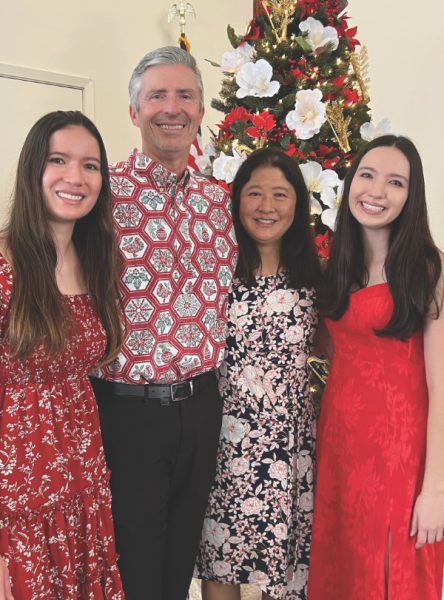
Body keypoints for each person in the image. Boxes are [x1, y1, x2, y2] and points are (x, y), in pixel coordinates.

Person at [90, 46, 237, 600]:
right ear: (134, 111)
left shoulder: (220, 202)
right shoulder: (101, 194)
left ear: (201, 111)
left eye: (185, 96)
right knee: (132, 567)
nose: (171, 108)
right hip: (127, 412)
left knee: (180, 565)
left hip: (202, 408)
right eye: (157, 95)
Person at [307, 135, 444, 599]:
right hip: (339, 448)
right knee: (341, 575)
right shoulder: (336, 266)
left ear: (411, 195)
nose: (377, 191)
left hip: (399, 456)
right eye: (366, 175)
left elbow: (442, 388)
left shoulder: (428, 269)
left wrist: (435, 491)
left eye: (395, 182)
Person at [0, 110, 124, 599]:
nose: (76, 177)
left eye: (90, 165)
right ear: (34, 170)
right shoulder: (4, 265)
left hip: (82, 486)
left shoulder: (96, 262)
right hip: (18, 501)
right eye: (59, 160)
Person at [195, 147, 321, 600]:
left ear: (297, 204)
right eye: (255, 193)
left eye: (280, 195)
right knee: (221, 557)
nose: (267, 207)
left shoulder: (314, 277)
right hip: (224, 440)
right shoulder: (216, 268)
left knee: (284, 568)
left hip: (290, 444)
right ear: (237, 200)